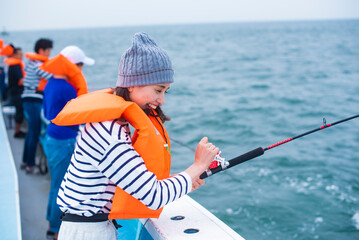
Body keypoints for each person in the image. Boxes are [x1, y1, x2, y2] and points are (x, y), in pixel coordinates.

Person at [52, 32, 218, 240]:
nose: (162, 100)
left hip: (90, 227)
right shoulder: (109, 133)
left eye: (166, 91)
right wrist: (198, 166)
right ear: (132, 84)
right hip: (88, 233)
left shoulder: (111, 122)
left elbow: (135, 181)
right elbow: (153, 196)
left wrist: (184, 179)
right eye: (158, 90)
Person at [41, 46, 94, 240]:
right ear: (73, 66)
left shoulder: (50, 84)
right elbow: (81, 112)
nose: (80, 71)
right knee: (60, 186)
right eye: (80, 66)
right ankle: (55, 230)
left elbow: (47, 110)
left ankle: (51, 225)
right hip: (63, 141)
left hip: (52, 137)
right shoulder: (67, 88)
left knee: (56, 184)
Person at [21, 38, 53, 174]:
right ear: (41, 50)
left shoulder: (30, 63)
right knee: (34, 132)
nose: (49, 55)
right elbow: (51, 76)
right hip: (33, 100)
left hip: (27, 99)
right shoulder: (38, 65)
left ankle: (25, 160)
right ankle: (30, 164)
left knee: (30, 132)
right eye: (48, 51)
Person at [5, 45, 26, 138]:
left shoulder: (12, 65)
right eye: (20, 54)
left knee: (19, 111)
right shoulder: (16, 66)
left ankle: (17, 131)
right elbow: (21, 80)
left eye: (22, 54)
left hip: (13, 92)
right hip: (17, 93)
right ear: (14, 55)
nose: (22, 56)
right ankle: (17, 132)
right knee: (19, 112)